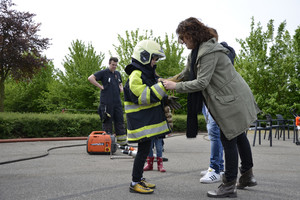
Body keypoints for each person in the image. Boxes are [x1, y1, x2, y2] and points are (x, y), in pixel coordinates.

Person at [162, 17, 260, 198]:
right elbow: (186, 73)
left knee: (229, 138)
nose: (182, 42)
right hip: (232, 97)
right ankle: (247, 176)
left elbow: (201, 82)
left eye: (183, 38)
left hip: (232, 101)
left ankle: (229, 185)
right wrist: (169, 80)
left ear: (192, 34)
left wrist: (175, 87)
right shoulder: (197, 52)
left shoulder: (208, 52)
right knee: (238, 136)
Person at [123, 40, 171, 194]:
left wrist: (165, 98)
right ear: (144, 56)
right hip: (141, 124)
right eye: (154, 58)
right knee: (142, 153)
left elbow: (152, 91)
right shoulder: (136, 75)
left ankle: (139, 178)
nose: (155, 62)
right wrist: (162, 87)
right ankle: (135, 182)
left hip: (146, 122)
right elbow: (144, 96)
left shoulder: (145, 74)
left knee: (144, 151)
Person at [200, 28, 236, 184]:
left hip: (217, 99)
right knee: (214, 134)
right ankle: (217, 167)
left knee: (215, 134)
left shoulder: (222, 51)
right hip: (208, 98)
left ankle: (215, 169)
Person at [88, 57, 127, 146]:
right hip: (106, 103)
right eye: (113, 65)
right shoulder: (103, 73)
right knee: (107, 123)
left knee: (120, 122)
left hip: (117, 103)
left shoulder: (117, 73)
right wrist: (100, 86)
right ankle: (108, 144)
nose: (114, 67)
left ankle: (123, 144)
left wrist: (121, 87)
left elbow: (120, 82)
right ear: (109, 63)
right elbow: (90, 78)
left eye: (116, 65)